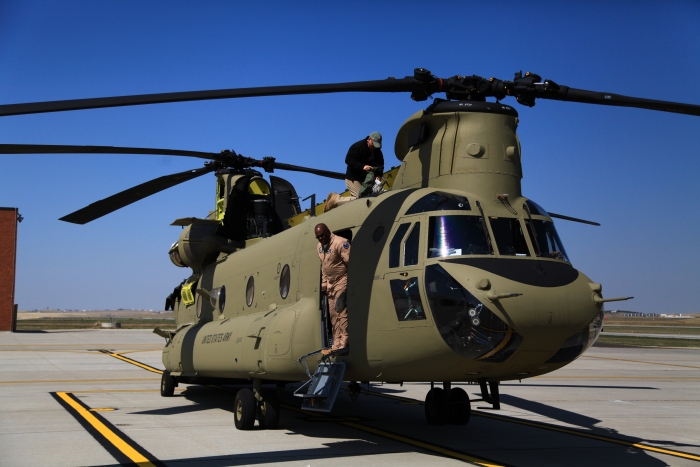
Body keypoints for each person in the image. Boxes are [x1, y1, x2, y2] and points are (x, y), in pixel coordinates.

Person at [315, 223, 350, 355]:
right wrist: (324, 283)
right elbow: (324, 266)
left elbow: (350, 262)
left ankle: (344, 342)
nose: (320, 238)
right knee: (333, 314)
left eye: (322, 235)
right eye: (318, 237)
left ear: (328, 232)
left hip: (342, 279)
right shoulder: (319, 247)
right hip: (330, 284)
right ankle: (336, 343)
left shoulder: (340, 243)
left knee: (341, 310)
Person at [325, 132, 384, 210]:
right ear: (369, 139)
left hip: (367, 180)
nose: (374, 147)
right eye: (374, 144)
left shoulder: (377, 151)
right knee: (362, 199)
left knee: (377, 196)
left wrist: (379, 175)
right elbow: (348, 160)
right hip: (353, 178)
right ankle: (335, 200)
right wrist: (362, 167)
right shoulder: (357, 147)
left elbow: (380, 164)